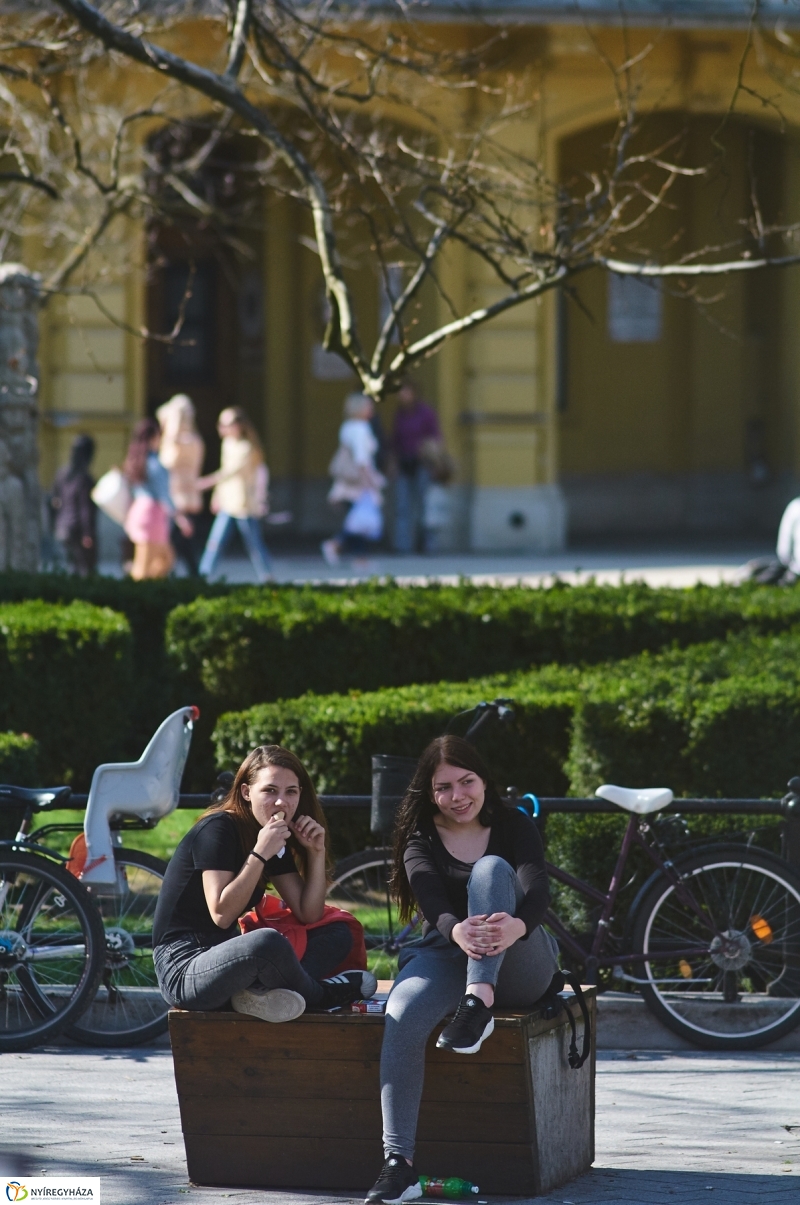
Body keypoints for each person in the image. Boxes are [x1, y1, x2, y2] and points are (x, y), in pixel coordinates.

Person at [366, 735, 559, 1205]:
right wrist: (457, 932)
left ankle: (479, 1003)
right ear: (429, 793)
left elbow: (537, 892)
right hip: (448, 948)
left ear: (484, 781)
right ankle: (399, 1164)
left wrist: (516, 926)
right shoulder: (420, 837)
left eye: (467, 782)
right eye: (444, 787)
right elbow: (431, 899)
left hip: (521, 957)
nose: (458, 797)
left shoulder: (514, 823)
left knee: (492, 869)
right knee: (403, 1010)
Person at [152, 744, 377, 1020]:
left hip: (232, 958)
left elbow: (309, 913)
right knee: (265, 943)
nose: (281, 802)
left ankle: (259, 994)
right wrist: (259, 853)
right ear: (247, 792)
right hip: (185, 967)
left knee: (337, 931)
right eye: (270, 791)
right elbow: (221, 914)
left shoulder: (270, 836)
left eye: (290, 792)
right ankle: (322, 995)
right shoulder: (218, 829)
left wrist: (316, 853)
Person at [197, 407, 273, 583]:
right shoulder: (228, 444)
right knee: (215, 542)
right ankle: (203, 575)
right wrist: (216, 495)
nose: (222, 428)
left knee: (254, 545)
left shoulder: (248, 448)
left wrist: (205, 483)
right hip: (227, 502)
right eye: (220, 424)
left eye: (227, 424)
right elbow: (225, 474)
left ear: (239, 425)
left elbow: (230, 472)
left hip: (243, 504)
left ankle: (267, 575)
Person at [322, 392, 385, 565]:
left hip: (348, 482)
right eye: (368, 406)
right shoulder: (360, 429)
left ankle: (358, 556)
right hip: (358, 482)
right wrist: (369, 482)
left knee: (356, 521)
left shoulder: (348, 427)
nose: (371, 409)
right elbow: (362, 460)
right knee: (359, 522)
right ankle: (339, 546)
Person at [123, 417, 190, 580]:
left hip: (139, 510)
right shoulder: (154, 463)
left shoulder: (135, 460)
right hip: (152, 514)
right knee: (143, 567)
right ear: (153, 438)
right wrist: (180, 518)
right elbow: (164, 495)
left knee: (166, 558)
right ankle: (137, 596)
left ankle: (149, 590)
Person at [157, 394, 205, 577]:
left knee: (176, 546)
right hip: (190, 497)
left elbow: (166, 466)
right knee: (185, 547)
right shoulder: (196, 440)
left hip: (176, 499)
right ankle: (192, 578)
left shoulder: (175, 443)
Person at [390, 379, 441, 554]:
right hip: (404, 463)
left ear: (414, 393)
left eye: (405, 391)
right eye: (400, 392)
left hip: (422, 464)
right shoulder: (400, 414)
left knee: (425, 506)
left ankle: (427, 545)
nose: (402, 395)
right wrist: (393, 463)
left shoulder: (425, 413)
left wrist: (431, 457)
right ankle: (403, 545)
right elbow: (395, 440)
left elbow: (435, 437)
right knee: (402, 507)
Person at [49, 434, 97, 576]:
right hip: (78, 530)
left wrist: (54, 524)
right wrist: (88, 533)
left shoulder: (62, 474)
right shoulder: (85, 478)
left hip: (62, 527)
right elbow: (85, 508)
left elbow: (53, 502)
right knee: (83, 570)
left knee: (67, 567)